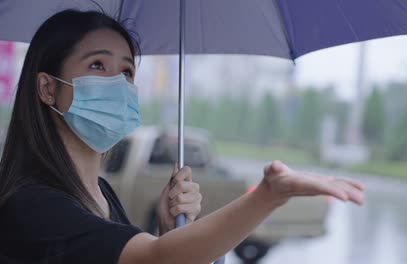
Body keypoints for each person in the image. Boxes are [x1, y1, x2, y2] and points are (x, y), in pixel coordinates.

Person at [0, 9, 365, 264]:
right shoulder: (31, 205)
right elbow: (153, 260)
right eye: (98, 65)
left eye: (127, 71)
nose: (118, 82)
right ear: (47, 88)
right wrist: (269, 195)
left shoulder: (102, 193)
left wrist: (169, 232)